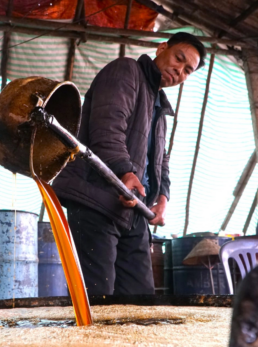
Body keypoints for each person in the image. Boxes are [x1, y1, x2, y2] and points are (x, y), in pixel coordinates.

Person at [52, 32, 206, 295]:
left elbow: (161, 159)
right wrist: (125, 171)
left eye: (187, 70)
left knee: (141, 302)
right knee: (97, 299)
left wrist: (163, 197)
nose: (179, 70)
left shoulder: (160, 108)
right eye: (178, 59)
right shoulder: (126, 71)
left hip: (134, 210)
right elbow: (107, 128)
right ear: (161, 48)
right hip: (96, 201)